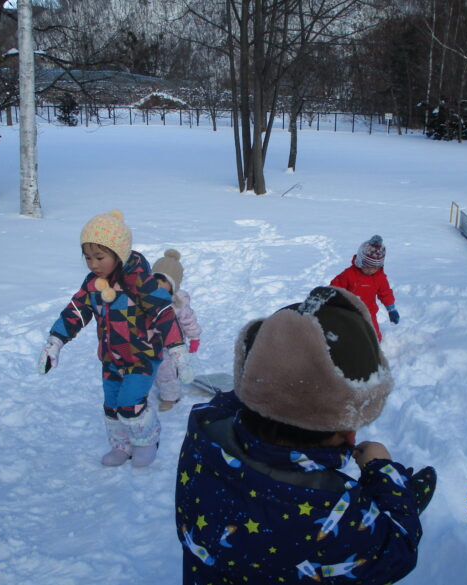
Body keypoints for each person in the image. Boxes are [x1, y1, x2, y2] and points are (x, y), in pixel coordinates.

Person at [175, 286, 435, 585]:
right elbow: (397, 550)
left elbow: (238, 398)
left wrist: (277, 367)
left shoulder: (204, 434)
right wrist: (386, 478)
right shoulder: (334, 511)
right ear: (347, 431)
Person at [37, 209, 172, 468]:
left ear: (118, 254)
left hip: (142, 357)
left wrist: (177, 348)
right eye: (87, 257)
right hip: (111, 358)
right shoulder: (93, 284)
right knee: (111, 406)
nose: (92, 264)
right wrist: (56, 341)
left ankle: (147, 441)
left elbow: (164, 312)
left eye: (99, 257)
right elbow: (76, 311)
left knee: (130, 403)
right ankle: (121, 445)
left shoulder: (140, 283)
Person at [151, 249, 202, 412]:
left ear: (173, 284)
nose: (159, 285)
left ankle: (170, 397)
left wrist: (194, 337)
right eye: (155, 280)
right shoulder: (146, 298)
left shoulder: (179, 302)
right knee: (152, 369)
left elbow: (188, 320)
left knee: (166, 372)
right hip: (150, 342)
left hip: (172, 345)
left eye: (164, 281)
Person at [330, 235, 399, 341]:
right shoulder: (349, 274)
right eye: (367, 266)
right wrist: (332, 300)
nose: (370, 270)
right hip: (349, 310)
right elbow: (336, 287)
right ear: (360, 261)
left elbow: (385, 293)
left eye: (374, 268)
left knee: (373, 335)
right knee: (347, 334)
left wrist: (391, 309)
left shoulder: (380, 277)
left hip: (369, 312)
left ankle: (373, 346)